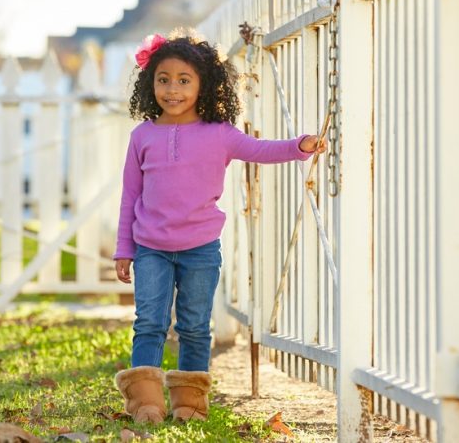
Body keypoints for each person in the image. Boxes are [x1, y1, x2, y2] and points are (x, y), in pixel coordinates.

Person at [113, 31, 326, 424]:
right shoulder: (142, 136)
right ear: (150, 83)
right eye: (163, 79)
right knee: (149, 323)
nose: (172, 89)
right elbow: (130, 196)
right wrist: (124, 248)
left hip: (200, 248)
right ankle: (146, 404)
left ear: (203, 84)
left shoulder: (219, 134)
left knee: (194, 326)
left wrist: (301, 145)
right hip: (150, 249)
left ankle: (190, 405)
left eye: (183, 80)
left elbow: (262, 150)